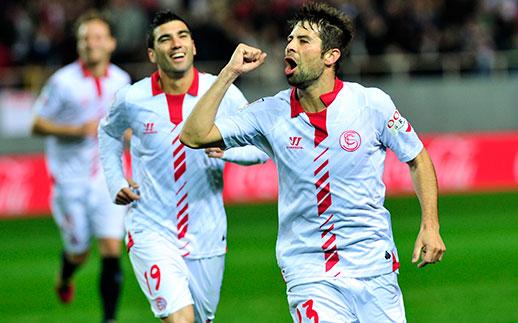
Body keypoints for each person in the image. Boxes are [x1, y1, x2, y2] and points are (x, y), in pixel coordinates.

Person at [180, 2, 446, 322]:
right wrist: (229, 73)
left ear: (330, 56)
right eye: (290, 39)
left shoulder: (370, 104)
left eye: (304, 41)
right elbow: (194, 136)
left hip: (374, 267)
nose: (290, 45)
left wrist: (430, 226)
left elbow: (416, 156)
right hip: (308, 272)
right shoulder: (269, 113)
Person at [98, 10, 268, 323]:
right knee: (181, 320)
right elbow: (107, 133)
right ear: (152, 53)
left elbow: (262, 148)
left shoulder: (222, 93)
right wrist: (115, 180)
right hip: (151, 228)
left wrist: (227, 153)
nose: (175, 43)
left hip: (207, 233)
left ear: (193, 46)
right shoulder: (132, 98)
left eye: (182, 36)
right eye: (165, 39)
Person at [31, 10, 130, 323]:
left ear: (111, 43)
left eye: (98, 37)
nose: (91, 43)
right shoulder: (62, 82)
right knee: (79, 252)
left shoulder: (121, 80)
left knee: (111, 247)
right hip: (70, 180)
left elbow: (124, 125)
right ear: (78, 45)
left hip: (107, 176)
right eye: (85, 38)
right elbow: (37, 125)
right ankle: (65, 275)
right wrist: (77, 130)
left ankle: (109, 318)